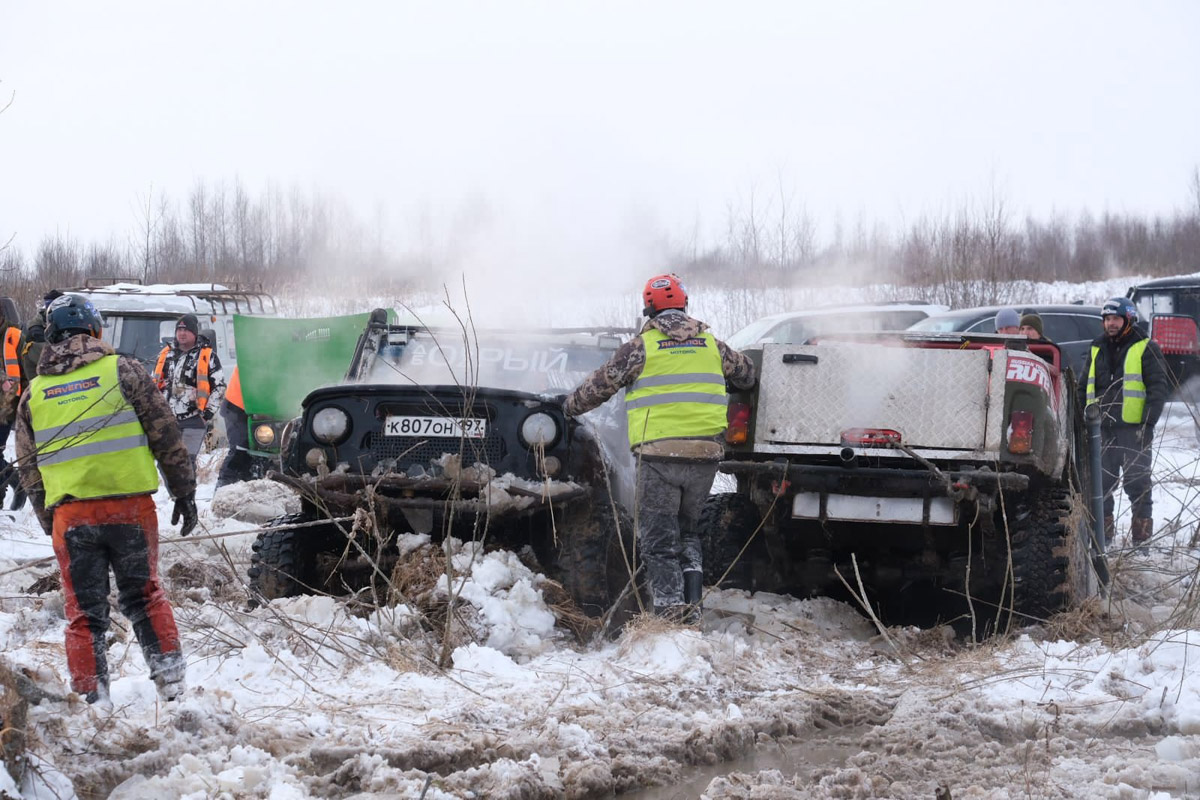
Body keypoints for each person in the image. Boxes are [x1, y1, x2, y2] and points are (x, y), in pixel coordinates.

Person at [15, 294, 197, 704]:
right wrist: (183, 492)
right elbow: (165, 433)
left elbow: (28, 466)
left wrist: (50, 520)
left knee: (83, 614)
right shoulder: (126, 371)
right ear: (95, 330)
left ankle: (91, 702)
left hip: (71, 516)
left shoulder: (35, 394)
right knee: (146, 596)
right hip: (131, 509)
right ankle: (172, 686)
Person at [564, 273, 756, 623]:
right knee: (688, 531)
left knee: (658, 538)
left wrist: (566, 407)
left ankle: (667, 617)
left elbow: (596, 388)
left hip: (659, 457)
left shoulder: (640, 348)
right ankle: (693, 609)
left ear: (648, 310)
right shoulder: (714, 346)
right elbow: (747, 376)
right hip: (705, 456)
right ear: (685, 305)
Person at [1078, 297, 1170, 548]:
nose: (1110, 324)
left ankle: (1141, 543)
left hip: (1134, 431)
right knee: (1100, 487)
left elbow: (1158, 389)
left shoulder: (1145, 347)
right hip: (1101, 431)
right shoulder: (1096, 347)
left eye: (1115, 319)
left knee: (1138, 486)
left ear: (1128, 319)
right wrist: (1083, 421)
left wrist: (1147, 425)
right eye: (1107, 319)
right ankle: (1102, 540)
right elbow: (1082, 387)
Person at [152, 313, 225, 464]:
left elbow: (219, 387)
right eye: (179, 329)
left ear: (195, 333)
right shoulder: (166, 355)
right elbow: (153, 383)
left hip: (194, 420)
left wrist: (206, 415)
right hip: (167, 419)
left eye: (186, 330)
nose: (182, 333)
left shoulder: (207, 356)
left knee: (186, 463)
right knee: (166, 463)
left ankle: (189, 488)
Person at [0, 303, 29, 509]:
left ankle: (15, 483)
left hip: (5, 407)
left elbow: (26, 373)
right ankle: (16, 482)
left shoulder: (15, 336)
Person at [216, 365, 254, 488]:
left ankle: (246, 487)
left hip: (247, 407)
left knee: (251, 453)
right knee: (239, 450)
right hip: (237, 407)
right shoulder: (254, 358)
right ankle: (223, 488)